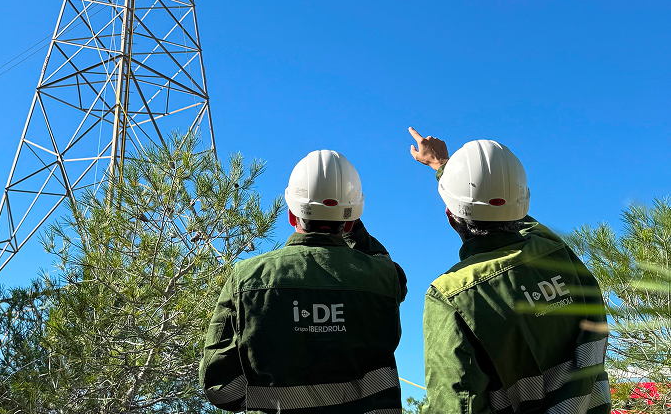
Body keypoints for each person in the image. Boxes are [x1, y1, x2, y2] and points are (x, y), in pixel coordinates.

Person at [408, 128, 610, 414]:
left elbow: (453, 407)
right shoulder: (556, 252)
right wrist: (444, 167)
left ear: (451, 218)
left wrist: (443, 169)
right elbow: (518, 219)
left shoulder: (452, 296)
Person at [199, 150, 408, 413]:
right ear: (351, 220)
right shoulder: (385, 277)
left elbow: (222, 391)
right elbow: (382, 263)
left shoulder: (246, 279)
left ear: (290, 215)